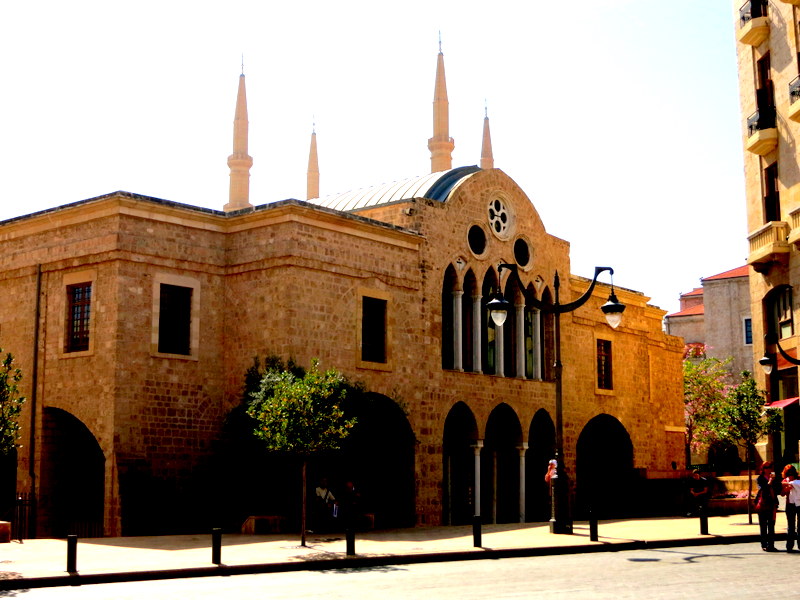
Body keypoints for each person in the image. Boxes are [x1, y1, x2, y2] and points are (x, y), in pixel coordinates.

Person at [756, 461, 779, 552]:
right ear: (763, 469)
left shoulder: (773, 478)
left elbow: (777, 490)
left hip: (772, 504)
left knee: (771, 525)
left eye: (770, 467)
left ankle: (771, 545)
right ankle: (764, 544)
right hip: (763, 504)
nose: (769, 469)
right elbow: (763, 489)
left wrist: (775, 482)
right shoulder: (760, 478)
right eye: (767, 467)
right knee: (763, 525)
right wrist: (769, 482)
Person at [782, 465, 800, 552]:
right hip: (790, 504)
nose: (790, 475)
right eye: (788, 473)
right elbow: (781, 493)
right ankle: (790, 545)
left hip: (799, 504)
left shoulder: (799, 479)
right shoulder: (785, 481)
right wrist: (786, 489)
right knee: (791, 525)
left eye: (792, 472)